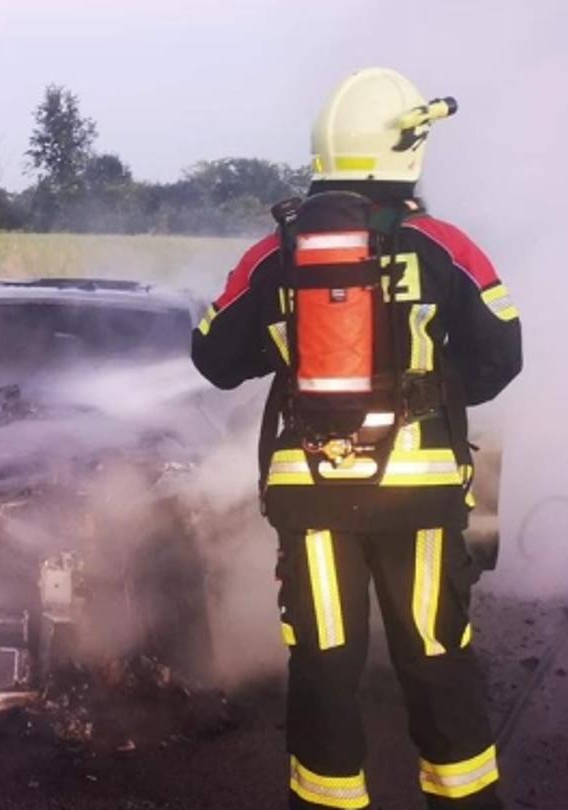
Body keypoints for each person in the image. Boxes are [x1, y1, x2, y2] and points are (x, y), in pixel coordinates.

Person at [192, 68, 523, 808]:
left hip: (311, 497)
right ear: (408, 150)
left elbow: (213, 360)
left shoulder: (272, 255)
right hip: (420, 495)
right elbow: (503, 359)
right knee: (435, 652)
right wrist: (423, 387)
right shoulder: (447, 248)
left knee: (324, 661)